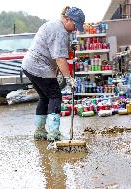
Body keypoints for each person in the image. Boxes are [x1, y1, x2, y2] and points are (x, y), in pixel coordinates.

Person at [21, 6, 85, 141]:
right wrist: (68, 78)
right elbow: (60, 59)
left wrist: (69, 47)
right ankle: (54, 134)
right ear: (68, 19)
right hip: (39, 66)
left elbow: (57, 51)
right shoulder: (60, 31)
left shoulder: (55, 25)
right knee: (55, 95)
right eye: (75, 25)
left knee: (45, 97)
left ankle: (40, 132)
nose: (75, 29)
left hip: (29, 65)